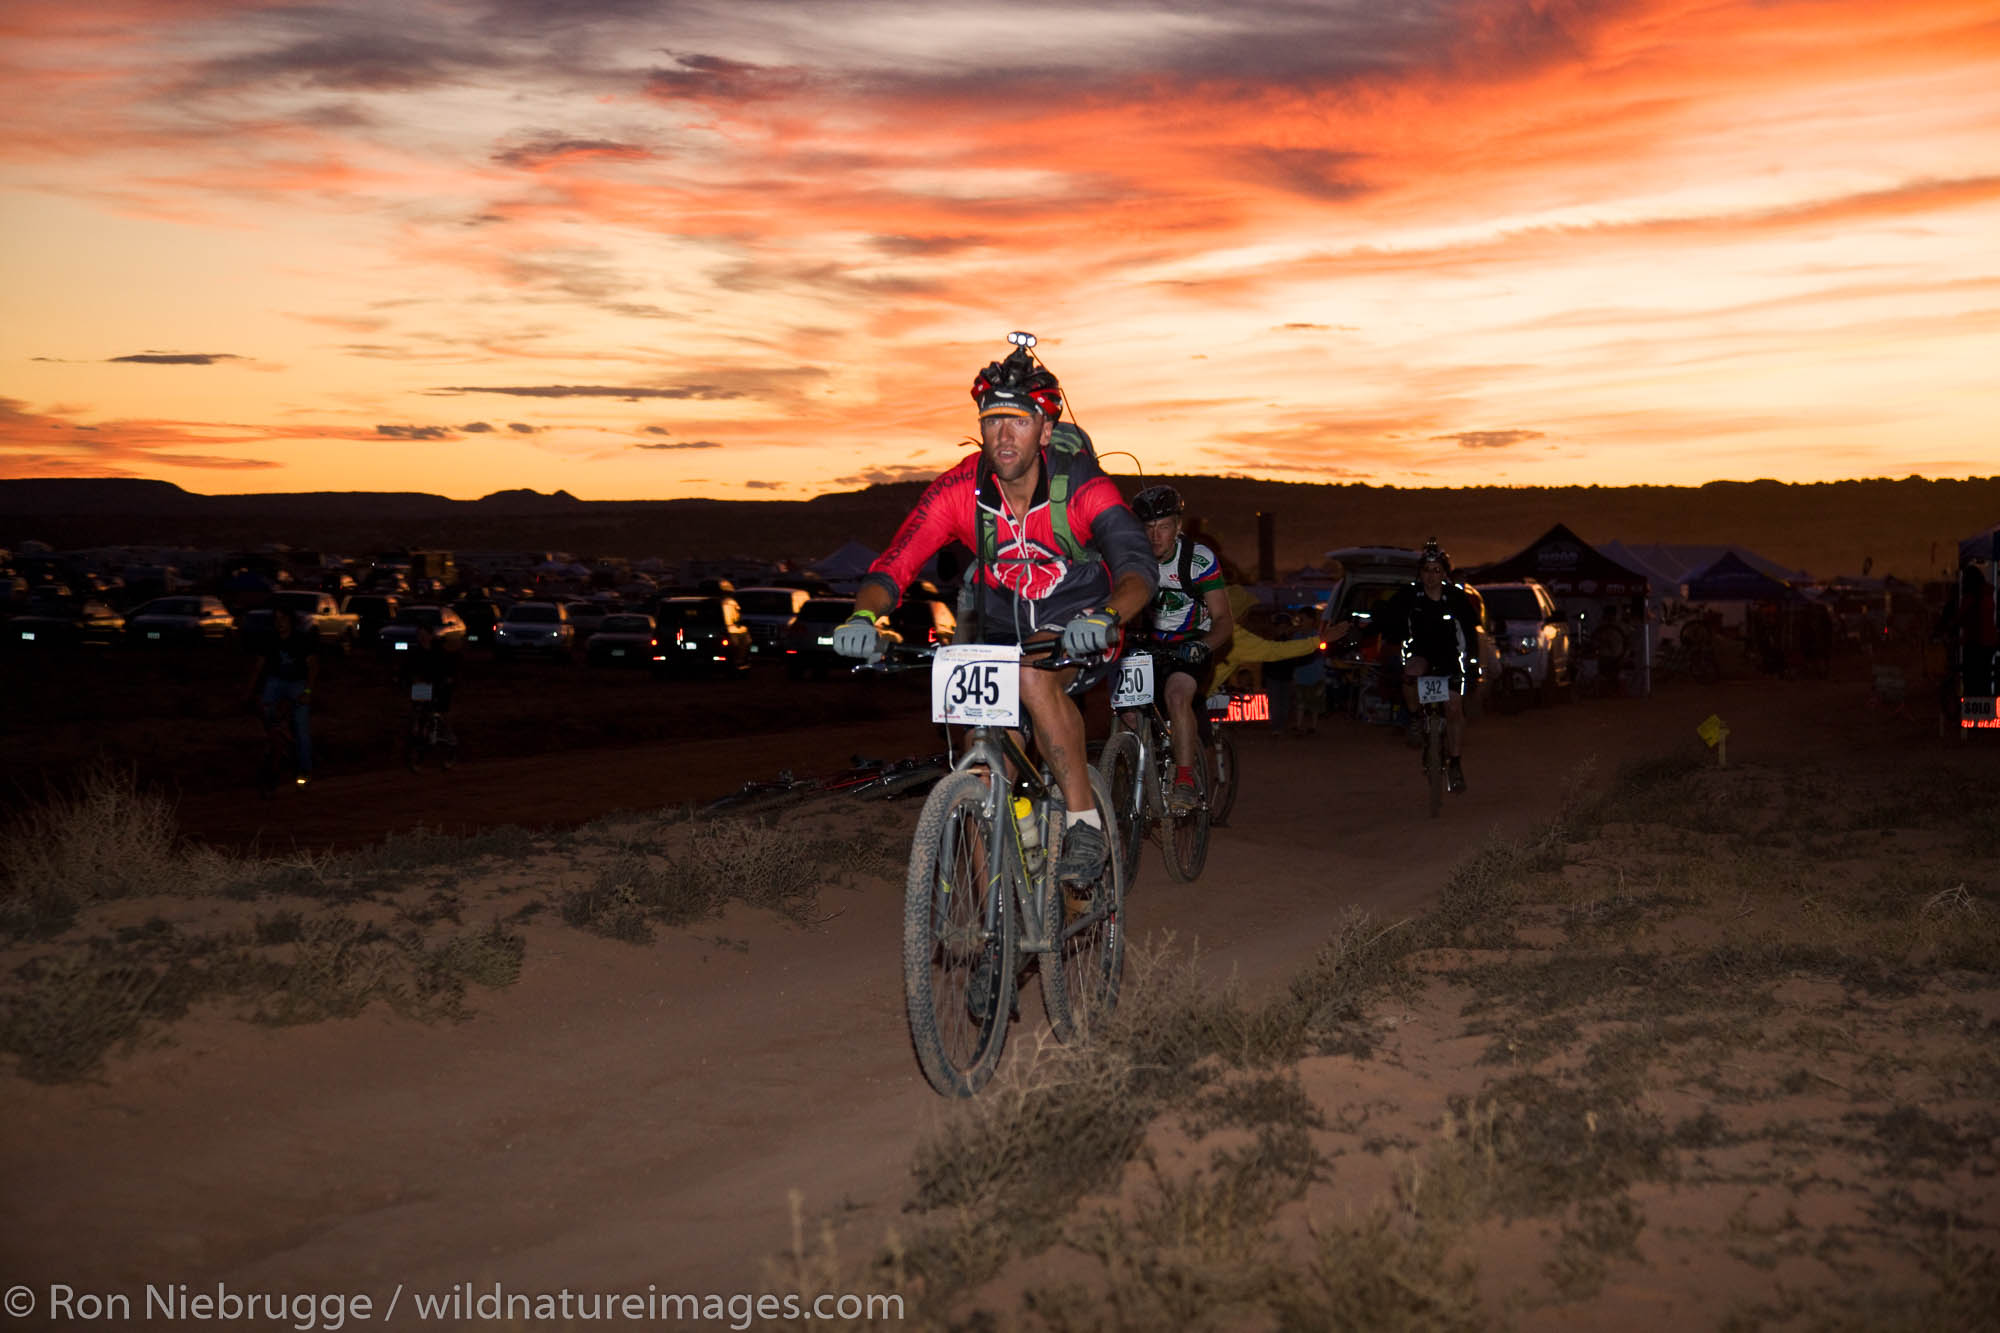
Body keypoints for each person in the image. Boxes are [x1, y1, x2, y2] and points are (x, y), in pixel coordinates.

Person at [831, 337, 1157, 883]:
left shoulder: (1082, 488)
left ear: (1045, 430)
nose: (1004, 435)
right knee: (984, 772)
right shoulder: (959, 490)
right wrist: (865, 616)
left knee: (1032, 679)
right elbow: (895, 565)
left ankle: (1084, 824)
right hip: (1001, 630)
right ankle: (994, 934)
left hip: (1084, 624)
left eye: (1020, 421)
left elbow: (1136, 569)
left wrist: (1107, 617)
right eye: (992, 421)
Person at [1128, 484, 1234, 813]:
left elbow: (1224, 620)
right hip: (1146, 644)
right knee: (1128, 712)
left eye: (1163, 527)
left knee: (1177, 695)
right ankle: (1134, 773)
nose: (1155, 537)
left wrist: (1204, 646)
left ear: (1178, 526)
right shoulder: (1128, 558)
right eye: (1147, 528)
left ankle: (1185, 780)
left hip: (1189, 645)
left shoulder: (1198, 560)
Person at [1382, 539, 1481, 793]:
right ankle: (1415, 717)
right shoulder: (1409, 596)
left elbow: (1470, 634)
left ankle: (1456, 763)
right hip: (1421, 656)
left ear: (1444, 573)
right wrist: (1360, 626)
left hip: (1450, 659)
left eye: (1437, 570)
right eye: (1427, 570)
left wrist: (1472, 665)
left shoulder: (1457, 598)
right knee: (1409, 672)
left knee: (1454, 707)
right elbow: (1386, 615)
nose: (1431, 575)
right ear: (1420, 572)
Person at [244, 609, 318, 786]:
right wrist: (249, 691)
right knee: (267, 714)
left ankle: (304, 769)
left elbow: (313, 667)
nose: (280, 623)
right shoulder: (269, 639)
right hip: (275, 681)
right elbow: (258, 666)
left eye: (283, 619)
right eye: (277, 619)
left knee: (301, 729)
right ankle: (275, 749)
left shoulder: (302, 640)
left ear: (291, 622)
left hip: (297, 683)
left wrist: (307, 692)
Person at [397, 622, 460, 748]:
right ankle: (417, 735)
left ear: (431, 636)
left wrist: (448, 678)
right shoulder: (416, 652)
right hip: (424, 685)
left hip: (440, 686)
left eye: (424, 635)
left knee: (441, 712)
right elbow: (406, 668)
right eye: (419, 635)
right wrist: (401, 678)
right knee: (418, 710)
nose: (422, 638)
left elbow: (449, 667)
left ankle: (447, 735)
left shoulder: (439, 651)